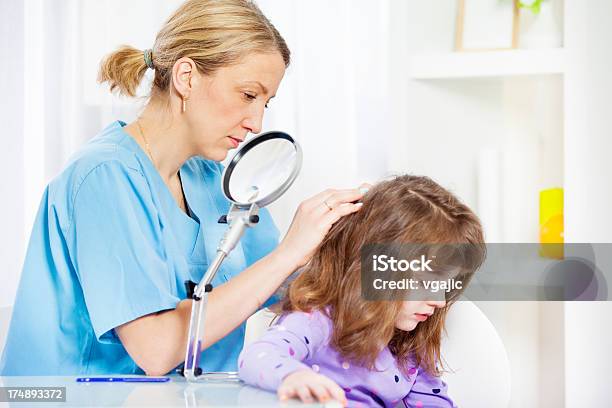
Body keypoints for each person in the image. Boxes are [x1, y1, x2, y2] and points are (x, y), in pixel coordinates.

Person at [0, 0, 366, 376]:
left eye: (265, 102)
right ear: (186, 77)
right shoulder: (102, 177)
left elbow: (291, 289)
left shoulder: (210, 179)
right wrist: (288, 253)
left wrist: (386, 243)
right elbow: (156, 349)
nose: (257, 122)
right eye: (248, 95)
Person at [238, 175, 485, 407]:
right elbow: (257, 356)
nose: (440, 301)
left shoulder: (407, 346)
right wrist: (292, 376)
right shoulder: (319, 320)